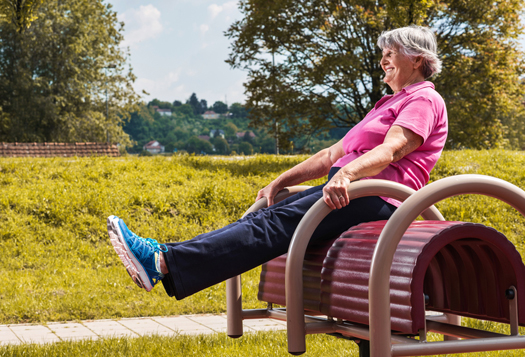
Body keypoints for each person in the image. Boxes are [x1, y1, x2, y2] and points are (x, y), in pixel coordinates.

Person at [107, 25, 448, 300]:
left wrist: (347, 174)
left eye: (389, 54)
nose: (383, 61)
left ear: (416, 59)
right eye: (383, 55)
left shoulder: (424, 99)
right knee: (265, 215)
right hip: (353, 191)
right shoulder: (386, 104)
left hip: (377, 197)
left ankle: (163, 261)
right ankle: (163, 257)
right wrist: (281, 180)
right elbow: (330, 155)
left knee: (268, 227)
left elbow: (392, 151)